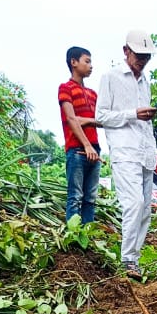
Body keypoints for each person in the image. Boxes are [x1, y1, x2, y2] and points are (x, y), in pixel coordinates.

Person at [96, 30, 157, 279]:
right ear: (126, 51)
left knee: (145, 210)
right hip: (124, 151)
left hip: (145, 150)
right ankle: (128, 259)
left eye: (146, 56)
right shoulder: (110, 77)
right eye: (138, 55)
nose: (142, 60)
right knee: (134, 204)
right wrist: (133, 114)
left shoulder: (145, 82)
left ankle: (135, 259)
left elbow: (145, 122)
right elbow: (101, 116)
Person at [59, 46, 101, 225]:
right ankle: (74, 236)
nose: (91, 66)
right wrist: (87, 145)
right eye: (87, 61)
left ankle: (88, 235)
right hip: (77, 150)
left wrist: (83, 120)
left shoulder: (93, 94)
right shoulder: (65, 88)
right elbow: (70, 119)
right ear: (73, 62)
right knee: (75, 197)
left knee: (90, 198)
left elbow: (102, 120)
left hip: (95, 149)